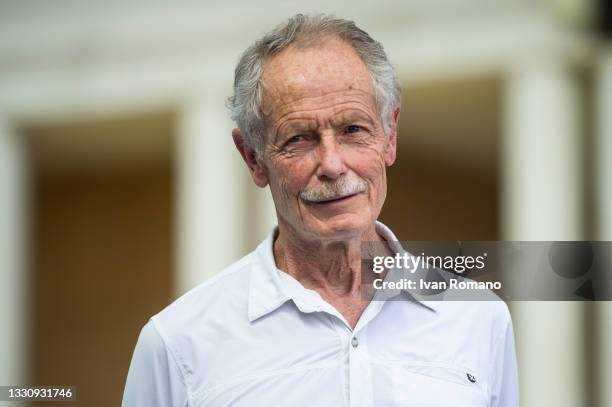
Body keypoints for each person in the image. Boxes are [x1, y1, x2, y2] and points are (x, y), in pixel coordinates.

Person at [122, 14, 518, 406]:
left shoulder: (478, 318)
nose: (331, 164)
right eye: (298, 138)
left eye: (353, 130)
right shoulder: (177, 343)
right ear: (253, 158)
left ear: (390, 137)